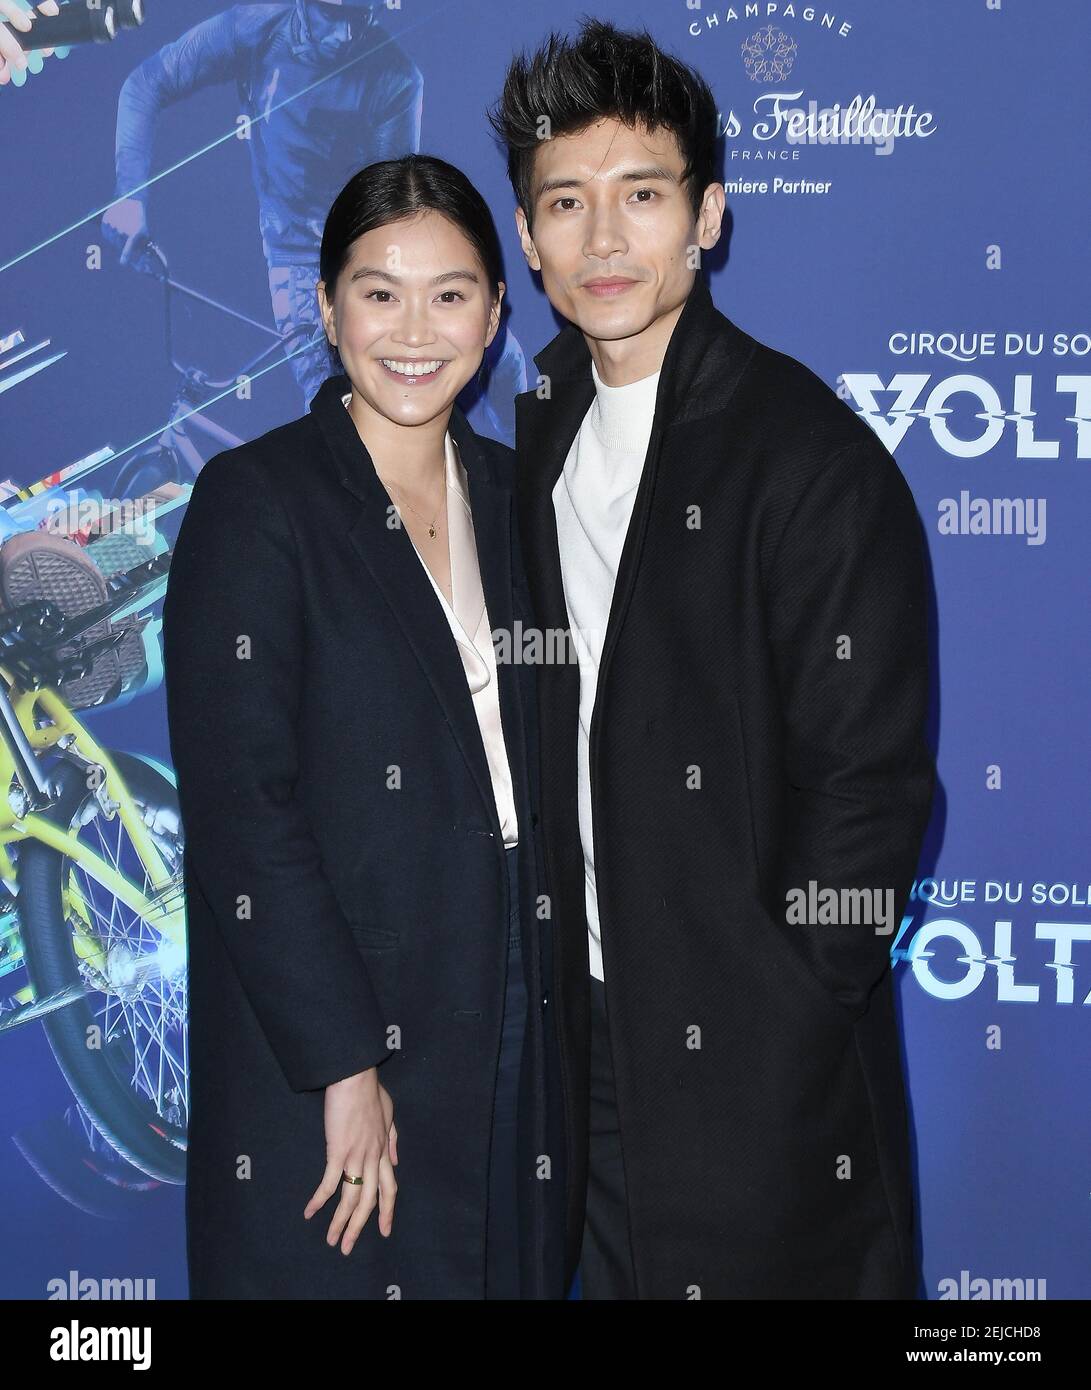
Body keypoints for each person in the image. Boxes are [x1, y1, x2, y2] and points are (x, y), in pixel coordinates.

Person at [488, 20, 936, 1299]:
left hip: (751, 1067)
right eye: (565, 204)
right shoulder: (539, 428)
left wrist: (785, 1006)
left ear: (709, 217)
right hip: (576, 1048)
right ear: (528, 241)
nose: (604, 238)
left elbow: (876, 790)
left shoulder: (807, 457)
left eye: (641, 195)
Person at [162, 153, 566, 1299]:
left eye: (449, 294)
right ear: (328, 304)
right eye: (378, 291)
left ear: (494, 314)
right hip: (336, 1014)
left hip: (508, 1000)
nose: (413, 329)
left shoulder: (517, 495)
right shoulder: (257, 501)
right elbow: (245, 809)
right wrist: (345, 1061)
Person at [102, 0, 526, 440]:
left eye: (356, 20)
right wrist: (129, 198)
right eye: (330, 19)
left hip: (376, 251)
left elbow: (389, 215)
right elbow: (146, 83)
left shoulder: (395, 77)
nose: (342, 37)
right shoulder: (258, 29)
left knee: (500, 355)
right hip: (299, 263)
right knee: (344, 425)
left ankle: (534, 466)